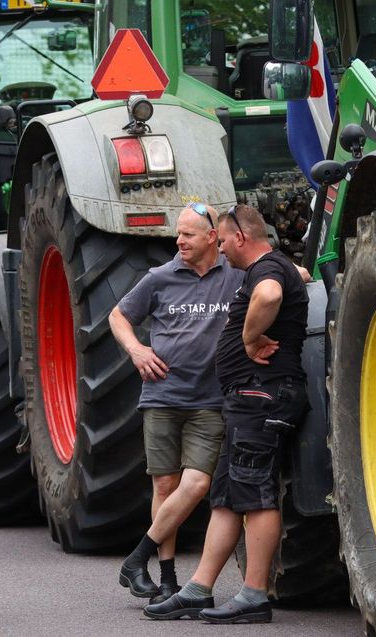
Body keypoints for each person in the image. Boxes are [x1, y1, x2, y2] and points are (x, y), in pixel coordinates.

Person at [144, 204, 309, 624]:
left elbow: (271, 295)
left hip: (262, 394)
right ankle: (198, 589)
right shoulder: (267, 267)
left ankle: (254, 595)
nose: (220, 250)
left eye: (222, 240)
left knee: (255, 493)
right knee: (227, 497)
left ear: (239, 237)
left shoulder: (266, 269)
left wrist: (250, 338)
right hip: (245, 397)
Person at [112, 203, 244, 605]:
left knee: (198, 483)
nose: (179, 240)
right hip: (163, 395)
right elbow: (118, 316)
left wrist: (299, 274)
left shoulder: (236, 274)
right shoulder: (160, 277)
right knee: (165, 485)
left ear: (211, 238)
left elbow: (276, 276)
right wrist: (136, 351)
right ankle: (167, 578)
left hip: (210, 399)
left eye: (188, 234)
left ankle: (137, 557)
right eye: (178, 234)